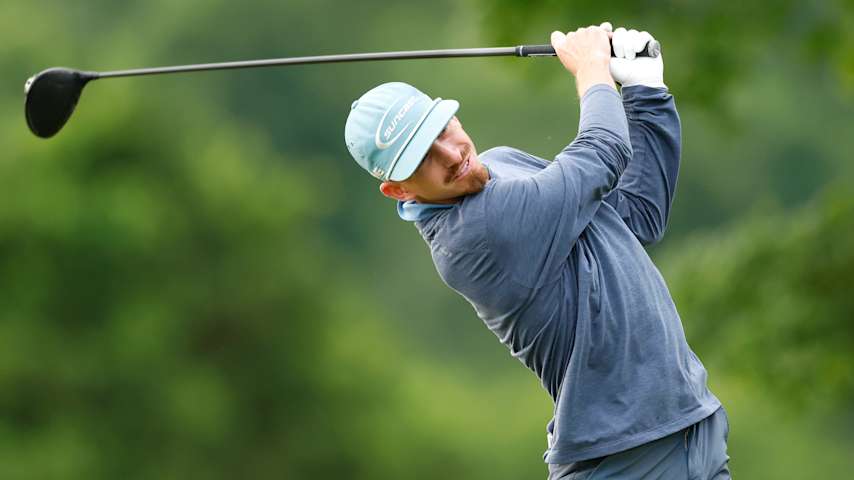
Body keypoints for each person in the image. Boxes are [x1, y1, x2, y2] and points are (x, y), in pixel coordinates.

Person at [344, 22, 730, 479]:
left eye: (443, 129)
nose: (450, 153)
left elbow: (633, 218)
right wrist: (592, 72)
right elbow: (601, 151)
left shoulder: (504, 161)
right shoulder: (473, 235)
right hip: (624, 459)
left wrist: (647, 92)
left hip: (690, 427)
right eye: (422, 157)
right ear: (398, 190)